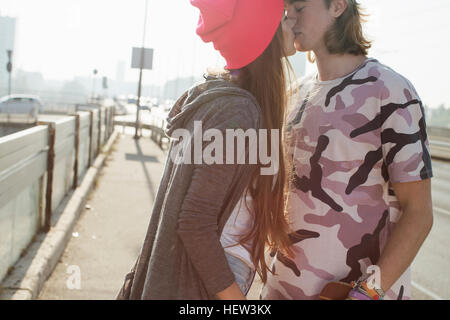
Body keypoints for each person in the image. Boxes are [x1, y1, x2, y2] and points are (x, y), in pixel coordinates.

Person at [117, 0, 298, 300]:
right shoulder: (237, 111)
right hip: (209, 281)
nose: (292, 20)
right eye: (283, 16)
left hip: (202, 275)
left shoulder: (218, 100)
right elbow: (195, 222)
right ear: (261, 33)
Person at [261, 0, 434, 300]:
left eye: (299, 7)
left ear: (338, 6)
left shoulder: (389, 90)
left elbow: (419, 213)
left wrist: (367, 293)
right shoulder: (293, 94)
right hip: (279, 290)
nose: (289, 15)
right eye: (286, 8)